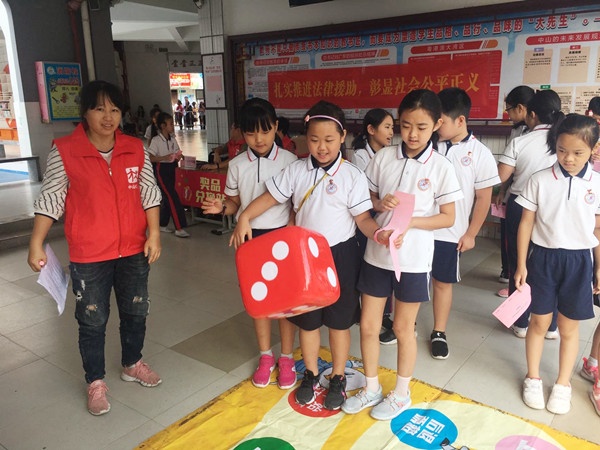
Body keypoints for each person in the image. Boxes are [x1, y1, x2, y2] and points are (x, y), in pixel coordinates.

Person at [230, 100, 395, 410]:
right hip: (304, 259)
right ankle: (310, 373)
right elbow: (270, 198)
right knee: (308, 322)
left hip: (341, 257)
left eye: (329, 140)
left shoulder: (352, 176)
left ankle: (337, 377)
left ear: (342, 136)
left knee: (339, 323)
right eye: (315, 139)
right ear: (306, 138)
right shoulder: (296, 170)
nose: (321, 147)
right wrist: (245, 217)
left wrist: (378, 234)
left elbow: (362, 219)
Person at [27, 80, 163, 416]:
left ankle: (132, 363)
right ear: (85, 112)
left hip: (133, 249)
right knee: (92, 320)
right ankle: (95, 381)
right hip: (89, 255)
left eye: (114, 109)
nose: (108, 117)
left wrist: (154, 234)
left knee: (136, 311)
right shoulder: (65, 150)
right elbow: (51, 197)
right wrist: (36, 242)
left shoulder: (135, 148)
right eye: (99, 109)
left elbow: (149, 192)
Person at [342, 89, 462, 420]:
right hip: (376, 254)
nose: (412, 134)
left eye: (421, 127)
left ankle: (401, 393)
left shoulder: (441, 167)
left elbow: (448, 218)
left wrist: (412, 222)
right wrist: (380, 204)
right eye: (406, 125)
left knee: (402, 328)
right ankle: (371, 387)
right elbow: (366, 198)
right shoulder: (383, 157)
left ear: (437, 124)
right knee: (369, 325)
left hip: (413, 260)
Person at [201, 98, 298, 389]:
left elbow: (296, 204)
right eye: (251, 133)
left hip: (281, 237)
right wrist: (222, 207)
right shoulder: (237, 164)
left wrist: (291, 230)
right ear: (242, 133)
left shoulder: (290, 161)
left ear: (276, 127)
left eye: (265, 131)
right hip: (250, 239)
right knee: (259, 302)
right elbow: (234, 203)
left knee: (285, 304)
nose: (259, 139)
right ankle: (266, 356)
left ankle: (286, 357)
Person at [514, 113, 600, 415]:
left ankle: (563, 384)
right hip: (544, 258)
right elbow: (526, 223)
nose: (568, 158)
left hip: (579, 260)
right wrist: (521, 264)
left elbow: (597, 229)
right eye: (562, 150)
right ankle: (533, 377)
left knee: (569, 327)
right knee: (538, 322)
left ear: (594, 149)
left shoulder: (597, 183)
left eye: (578, 152)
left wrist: (598, 267)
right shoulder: (539, 179)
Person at [428, 87, 500, 359]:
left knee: (442, 283)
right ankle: (405, 324)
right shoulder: (428, 145)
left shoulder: (480, 153)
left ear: (460, 120)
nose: (436, 126)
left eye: (441, 121)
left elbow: (483, 198)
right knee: (411, 279)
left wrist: (471, 233)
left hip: (450, 232)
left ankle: (439, 331)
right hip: (419, 227)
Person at [498, 89, 563, 339]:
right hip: (555, 208)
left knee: (519, 262)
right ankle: (551, 325)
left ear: (532, 114)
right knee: (551, 265)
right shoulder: (565, 140)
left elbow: (501, 177)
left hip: (520, 205)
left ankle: (521, 322)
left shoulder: (521, 141)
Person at [349, 108, 397, 345]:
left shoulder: (390, 156)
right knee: (366, 265)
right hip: (366, 219)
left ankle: (384, 314)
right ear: (371, 129)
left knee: (384, 265)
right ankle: (365, 311)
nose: (391, 132)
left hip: (384, 219)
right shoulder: (360, 156)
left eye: (392, 127)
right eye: (387, 127)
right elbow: (365, 193)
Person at [495, 86, 535, 298]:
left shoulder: (526, 137)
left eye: (509, 109)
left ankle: (518, 289)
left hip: (522, 199)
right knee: (517, 245)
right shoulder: (517, 131)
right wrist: (503, 190)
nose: (508, 114)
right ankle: (512, 278)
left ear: (521, 108)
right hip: (517, 193)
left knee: (519, 246)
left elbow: (503, 171)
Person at [147, 112, 189, 238]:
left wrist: (180, 156)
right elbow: (150, 157)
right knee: (172, 197)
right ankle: (179, 227)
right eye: (170, 124)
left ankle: (162, 223)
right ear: (163, 126)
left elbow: (177, 152)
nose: (172, 126)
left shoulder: (172, 139)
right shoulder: (156, 140)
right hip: (162, 170)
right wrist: (164, 157)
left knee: (167, 197)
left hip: (172, 168)